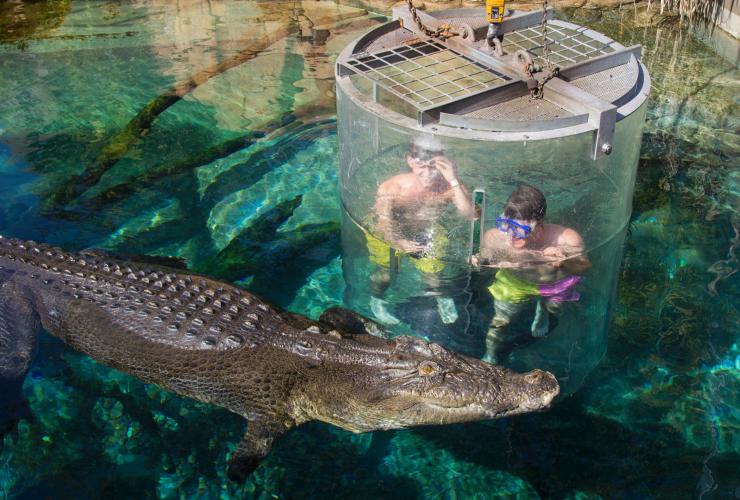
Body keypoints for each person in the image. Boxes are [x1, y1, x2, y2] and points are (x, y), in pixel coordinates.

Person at [366, 136, 475, 326]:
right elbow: (383, 224)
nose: (427, 173)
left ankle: (441, 298)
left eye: (433, 167)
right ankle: (377, 299)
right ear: (409, 161)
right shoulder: (393, 187)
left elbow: (469, 215)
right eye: (421, 166)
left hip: (426, 229)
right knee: (387, 272)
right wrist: (399, 243)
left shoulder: (448, 186)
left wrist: (453, 178)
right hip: (390, 232)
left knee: (434, 274)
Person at [476, 184, 591, 363]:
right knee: (499, 322)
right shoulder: (495, 237)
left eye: (520, 230)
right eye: (507, 226)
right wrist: (478, 260)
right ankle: (490, 354)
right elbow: (484, 259)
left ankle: (543, 310)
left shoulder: (566, 239)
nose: (512, 235)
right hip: (515, 283)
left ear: (539, 224)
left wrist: (565, 261)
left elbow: (583, 267)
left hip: (554, 284)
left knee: (554, 311)